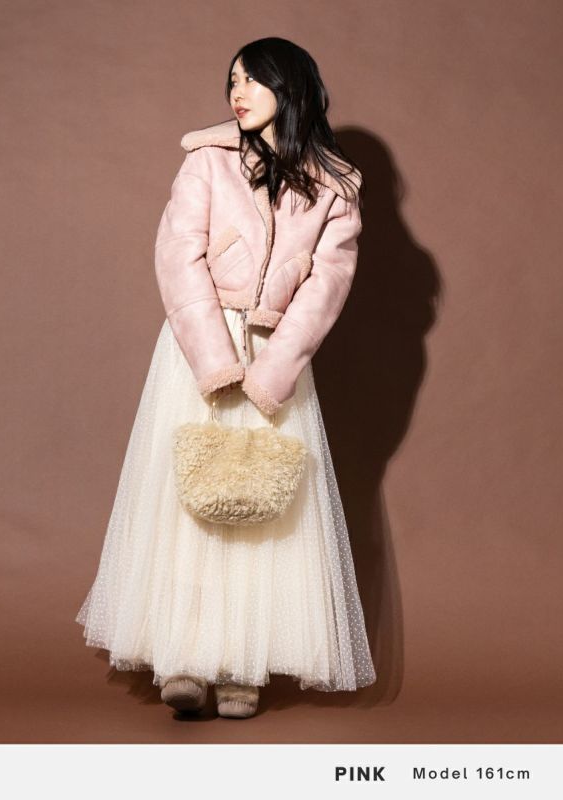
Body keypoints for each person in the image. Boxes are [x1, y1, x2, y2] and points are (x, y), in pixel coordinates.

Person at [75, 37, 376, 719]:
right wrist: (215, 358)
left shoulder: (335, 187)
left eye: (252, 80)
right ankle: (184, 660)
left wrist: (272, 370)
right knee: (188, 503)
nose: (237, 93)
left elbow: (328, 286)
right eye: (232, 80)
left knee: (264, 509)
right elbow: (177, 256)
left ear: (291, 88)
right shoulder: (206, 161)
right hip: (196, 347)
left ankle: (243, 666)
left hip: (278, 355)